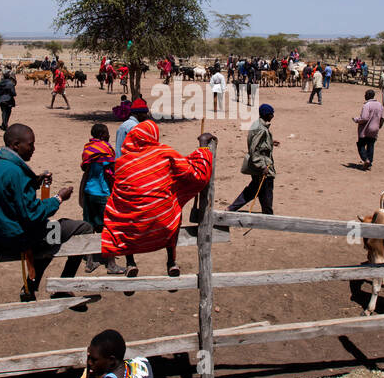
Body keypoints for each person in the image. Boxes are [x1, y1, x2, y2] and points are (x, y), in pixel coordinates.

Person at [0, 123, 91, 301]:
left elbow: (10, 193)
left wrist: (35, 181)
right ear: (16, 145)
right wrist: (58, 198)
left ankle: (31, 287)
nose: (33, 148)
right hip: (20, 238)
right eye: (30, 144)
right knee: (82, 228)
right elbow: (32, 214)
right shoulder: (16, 172)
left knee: (52, 237)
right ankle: (63, 286)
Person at [101, 121, 214, 278]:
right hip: (162, 223)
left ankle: (130, 262)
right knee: (171, 208)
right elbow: (192, 172)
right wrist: (202, 147)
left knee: (122, 212)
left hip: (132, 226)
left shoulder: (121, 163)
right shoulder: (163, 153)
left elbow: (119, 192)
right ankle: (171, 262)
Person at [79, 124, 123, 274]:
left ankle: (90, 261)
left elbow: (85, 170)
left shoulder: (88, 149)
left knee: (89, 226)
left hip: (88, 191)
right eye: (108, 133)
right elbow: (110, 171)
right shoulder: (106, 148)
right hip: (103, 192)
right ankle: (111, 263)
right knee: (109, 227)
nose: (109, 136)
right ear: (103, 135)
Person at [227, 103, 276, 214]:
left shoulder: (256, 124)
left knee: (256, 189)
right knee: (265, 189)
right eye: (271, 114)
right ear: (267, 115)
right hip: (262, 164)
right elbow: (254, 148)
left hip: (258, 164)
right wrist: (262, 166)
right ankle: (268, 215)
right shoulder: (261, 129)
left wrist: (271, 142)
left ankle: (232, 208)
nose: (272, 116)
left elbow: (258, 143)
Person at [352, 89, 384, 171]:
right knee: (371, 145)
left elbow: (364, 118)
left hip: (366, 129)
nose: (364, 96)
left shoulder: (367, 105)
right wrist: (379, 126)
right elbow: (382, 118)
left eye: (365, 94)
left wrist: (356, 120)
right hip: (375, 128)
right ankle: (369, 163)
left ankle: (366, 159)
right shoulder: (380, 105)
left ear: (368, 95)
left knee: (361, 144)